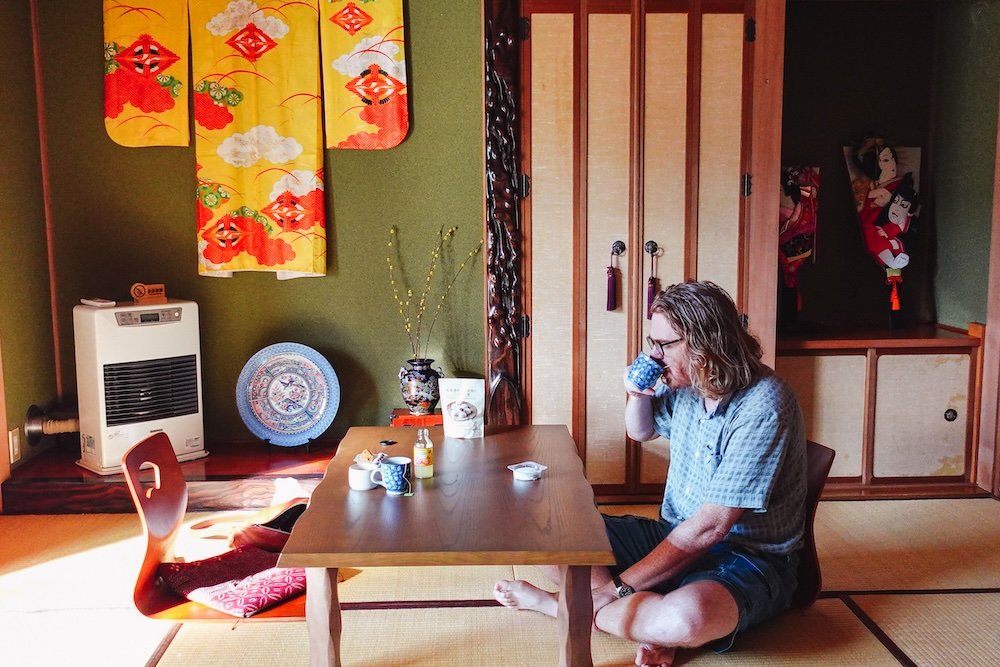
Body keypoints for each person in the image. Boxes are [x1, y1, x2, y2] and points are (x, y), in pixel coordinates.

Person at [494, 281, 807, 667]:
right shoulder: (690, 383)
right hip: (672, 535)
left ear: (704, 343)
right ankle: (641, 621)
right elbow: (640, 431)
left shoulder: (763, 404)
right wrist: (637, 394)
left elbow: (711, 529)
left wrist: (617, 588)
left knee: (685, 617)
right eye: (651, 343)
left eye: (663, 345)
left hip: (748, 557)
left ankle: (564, 608)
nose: (653, 356)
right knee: (540, 531)